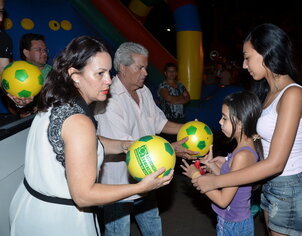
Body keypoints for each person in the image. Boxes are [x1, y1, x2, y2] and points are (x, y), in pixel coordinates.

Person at [9, 36, 173, 236]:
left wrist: (124, 145)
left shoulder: (55, 99)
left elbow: (81, 145)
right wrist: (140, 187)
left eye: (109, 72)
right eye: (100, 73)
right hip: (59, 222)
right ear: (75, 75)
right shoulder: (79, 122)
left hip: (30, 208)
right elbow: (84, 195)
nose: (109, 80)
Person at [192, 23, 302, 236]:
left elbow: (276, 163)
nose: (244, 65)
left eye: (247, 57)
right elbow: (261, 142)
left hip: (293, 186)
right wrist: (227, 162)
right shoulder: (270, 92)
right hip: (274, 184)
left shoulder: (293, 94)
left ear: (266, 53)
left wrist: (216, 181)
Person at [94, 42, 196, 236]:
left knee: (153, 227)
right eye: (140, 67)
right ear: (123, 68)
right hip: (119, 183)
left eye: (145, 67)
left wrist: (189, 130)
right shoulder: (110, 99)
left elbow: (160, 123)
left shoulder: (144, 91)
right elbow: (127, 147)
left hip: (148, 175)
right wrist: (170, 149)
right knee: (119, 232)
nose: (145, 73)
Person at [181, 91, 263, 236]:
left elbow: (223, 200)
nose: (220, 121)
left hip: (233, 225)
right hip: (235, 221)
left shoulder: (243, 155)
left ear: (240, 122)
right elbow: (233, 181)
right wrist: (213, 166)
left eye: (224, 118)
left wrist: (196, 177)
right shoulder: (244, 148)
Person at [6, 33, 52, 112]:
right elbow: (11, 107)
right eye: (38, 50)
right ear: (26, 53)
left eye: (45, 50)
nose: (44, 53)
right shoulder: (13, 74)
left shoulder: (54, 74)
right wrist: (21, 110)